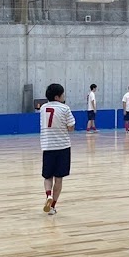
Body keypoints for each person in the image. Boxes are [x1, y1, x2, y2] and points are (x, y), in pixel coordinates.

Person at [40, 83, 75, 215]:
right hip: (62, 146)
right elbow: (71, 127)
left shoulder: (43, 108)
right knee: (58, 178)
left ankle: (48, 195)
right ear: (57, 96)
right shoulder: (65, 108)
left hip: (47, 146)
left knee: (47, 176)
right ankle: (52, 206)